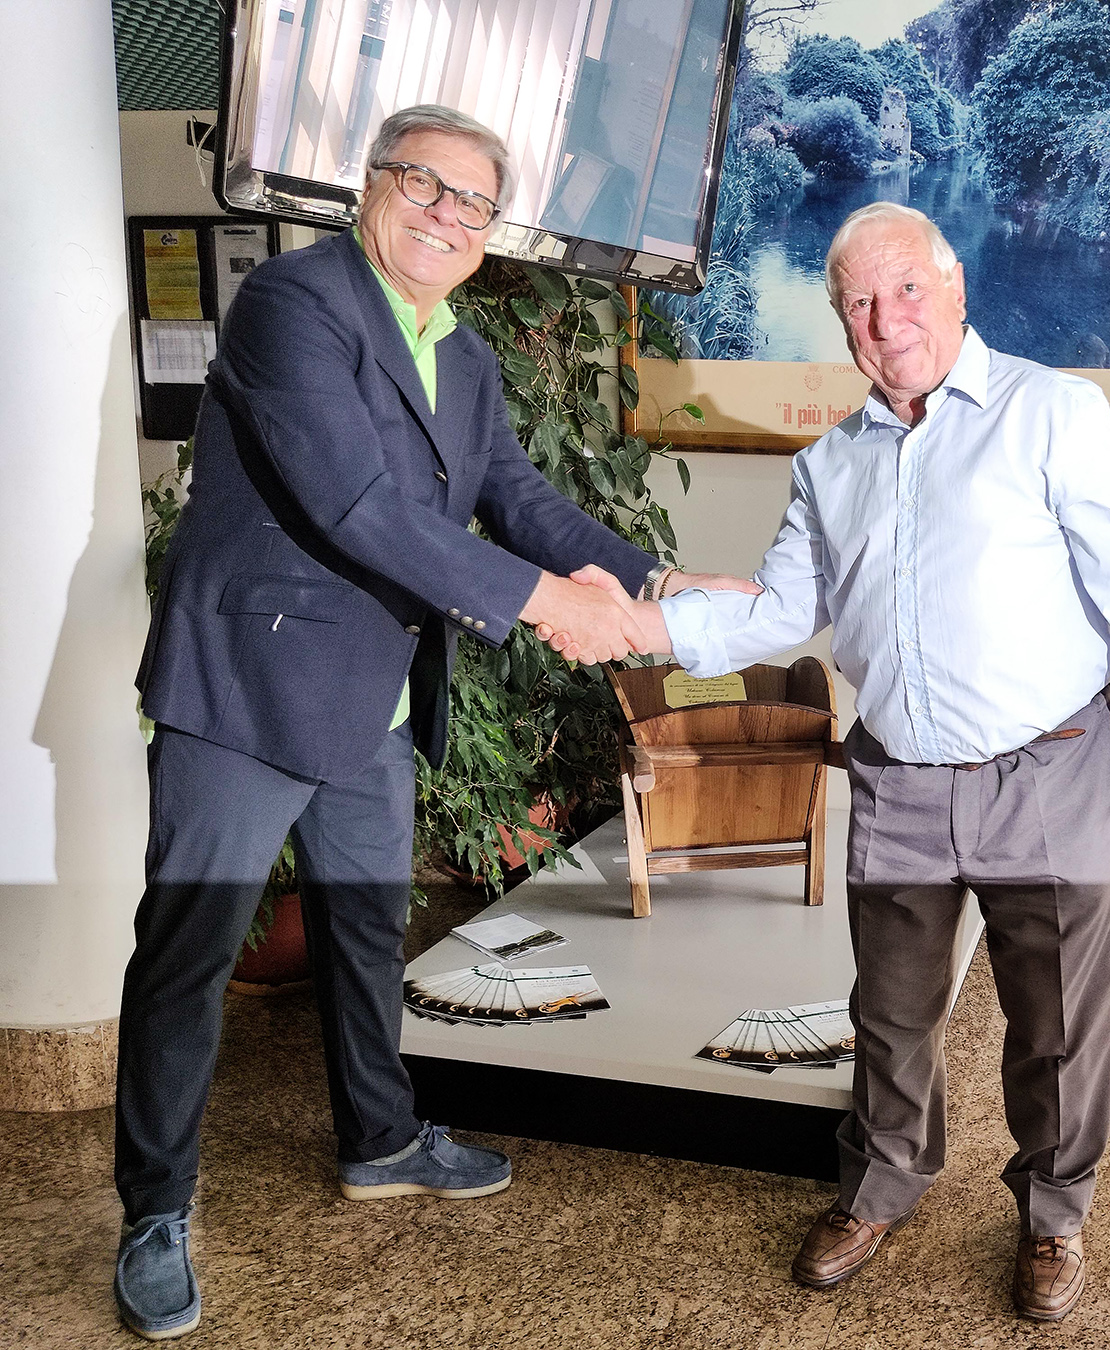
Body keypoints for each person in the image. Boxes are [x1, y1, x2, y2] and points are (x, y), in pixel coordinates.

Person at [114, 104, 749, 1340]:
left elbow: (517, 496)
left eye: (474, 204)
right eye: (425, 185)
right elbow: (355, 503)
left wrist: (659, 581)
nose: (448, 217)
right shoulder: (295, 304)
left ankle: (381, 1138)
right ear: (372, 185)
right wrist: (548, 603)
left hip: (375, 699)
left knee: (365, 936)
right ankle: (152, 1212)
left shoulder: (466, 356)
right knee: (188, 954)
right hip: (245, 690)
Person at [604, 202, 1110, 1322]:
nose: (885, 319)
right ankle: (882, 1186)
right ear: (841, 321)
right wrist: (643, 623)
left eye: (906, 288)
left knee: (1057, 1024)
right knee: (891, 1013)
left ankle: (1054, 1214)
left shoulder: (1052, 414)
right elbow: (780, 610)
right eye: (858, 301)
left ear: (957, 289)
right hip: (898, 779)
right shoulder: (830, 464)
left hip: (1048, 771)